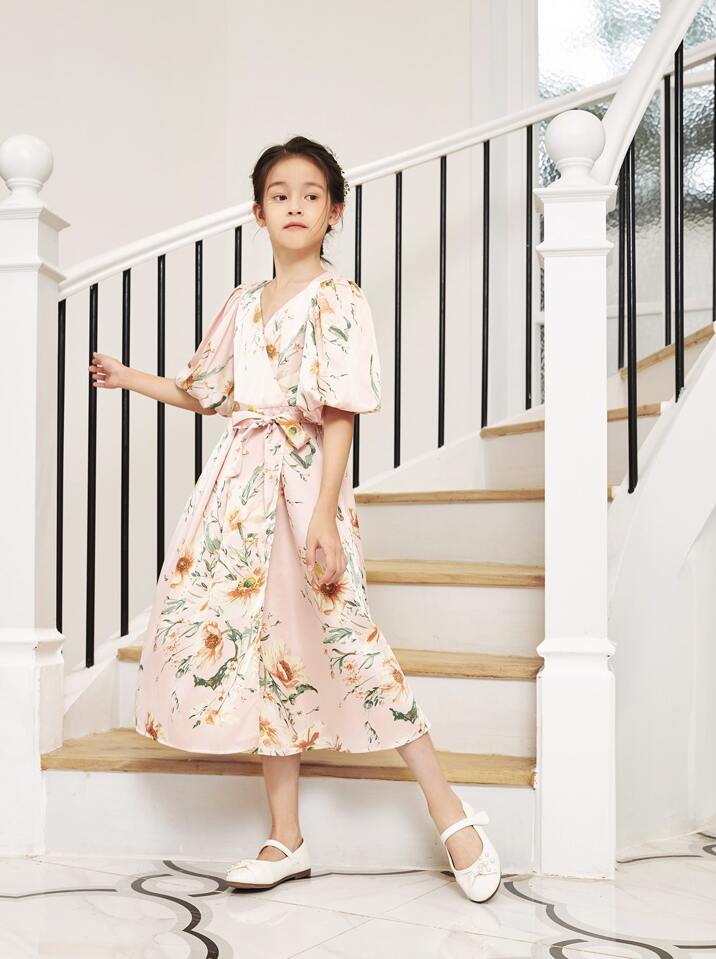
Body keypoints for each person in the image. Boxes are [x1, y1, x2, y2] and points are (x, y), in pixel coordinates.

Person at [88, 135, 502, 903]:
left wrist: (324, 515)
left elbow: (339, 414)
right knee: (262, 653)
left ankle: (450, 811)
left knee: (349, 637)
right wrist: (127, 376)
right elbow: (205, 392)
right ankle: (287, 835)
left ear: (334, 211)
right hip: (235, 495)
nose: (295, 206)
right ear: (258, 211)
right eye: (280, 195)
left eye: (311, 195)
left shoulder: (340, 298)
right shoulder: (243, 304)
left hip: (306, 486)